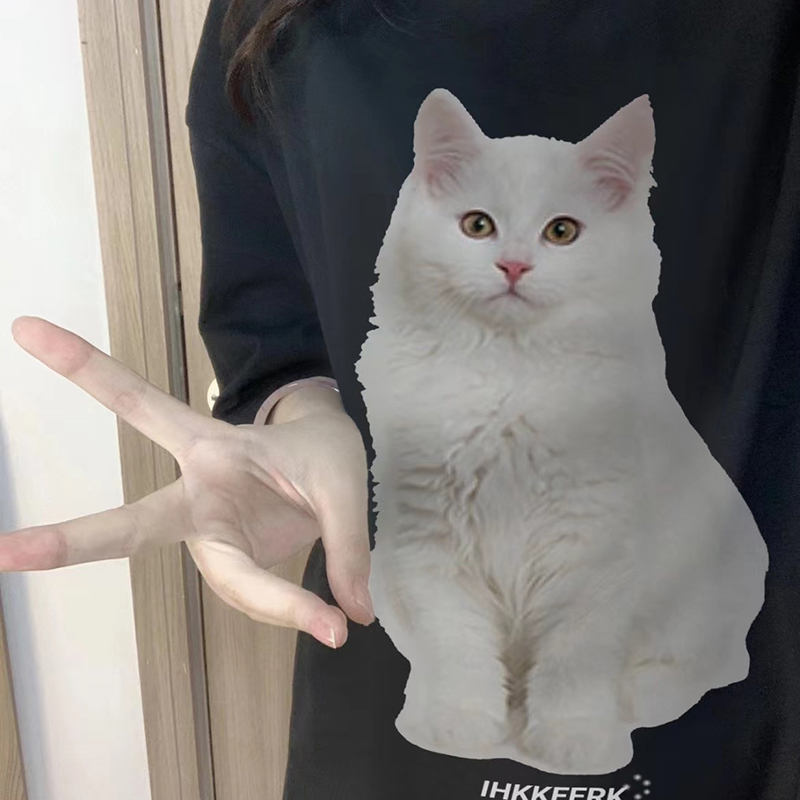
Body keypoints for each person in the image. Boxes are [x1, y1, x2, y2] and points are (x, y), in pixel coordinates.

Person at [4, 0, 800, 796]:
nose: (515, 261)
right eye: (481, 225)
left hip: (745, 728)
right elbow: (271, 326)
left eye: (558, 233)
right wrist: (298, 417)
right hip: (385, 730)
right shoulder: (268, 19)